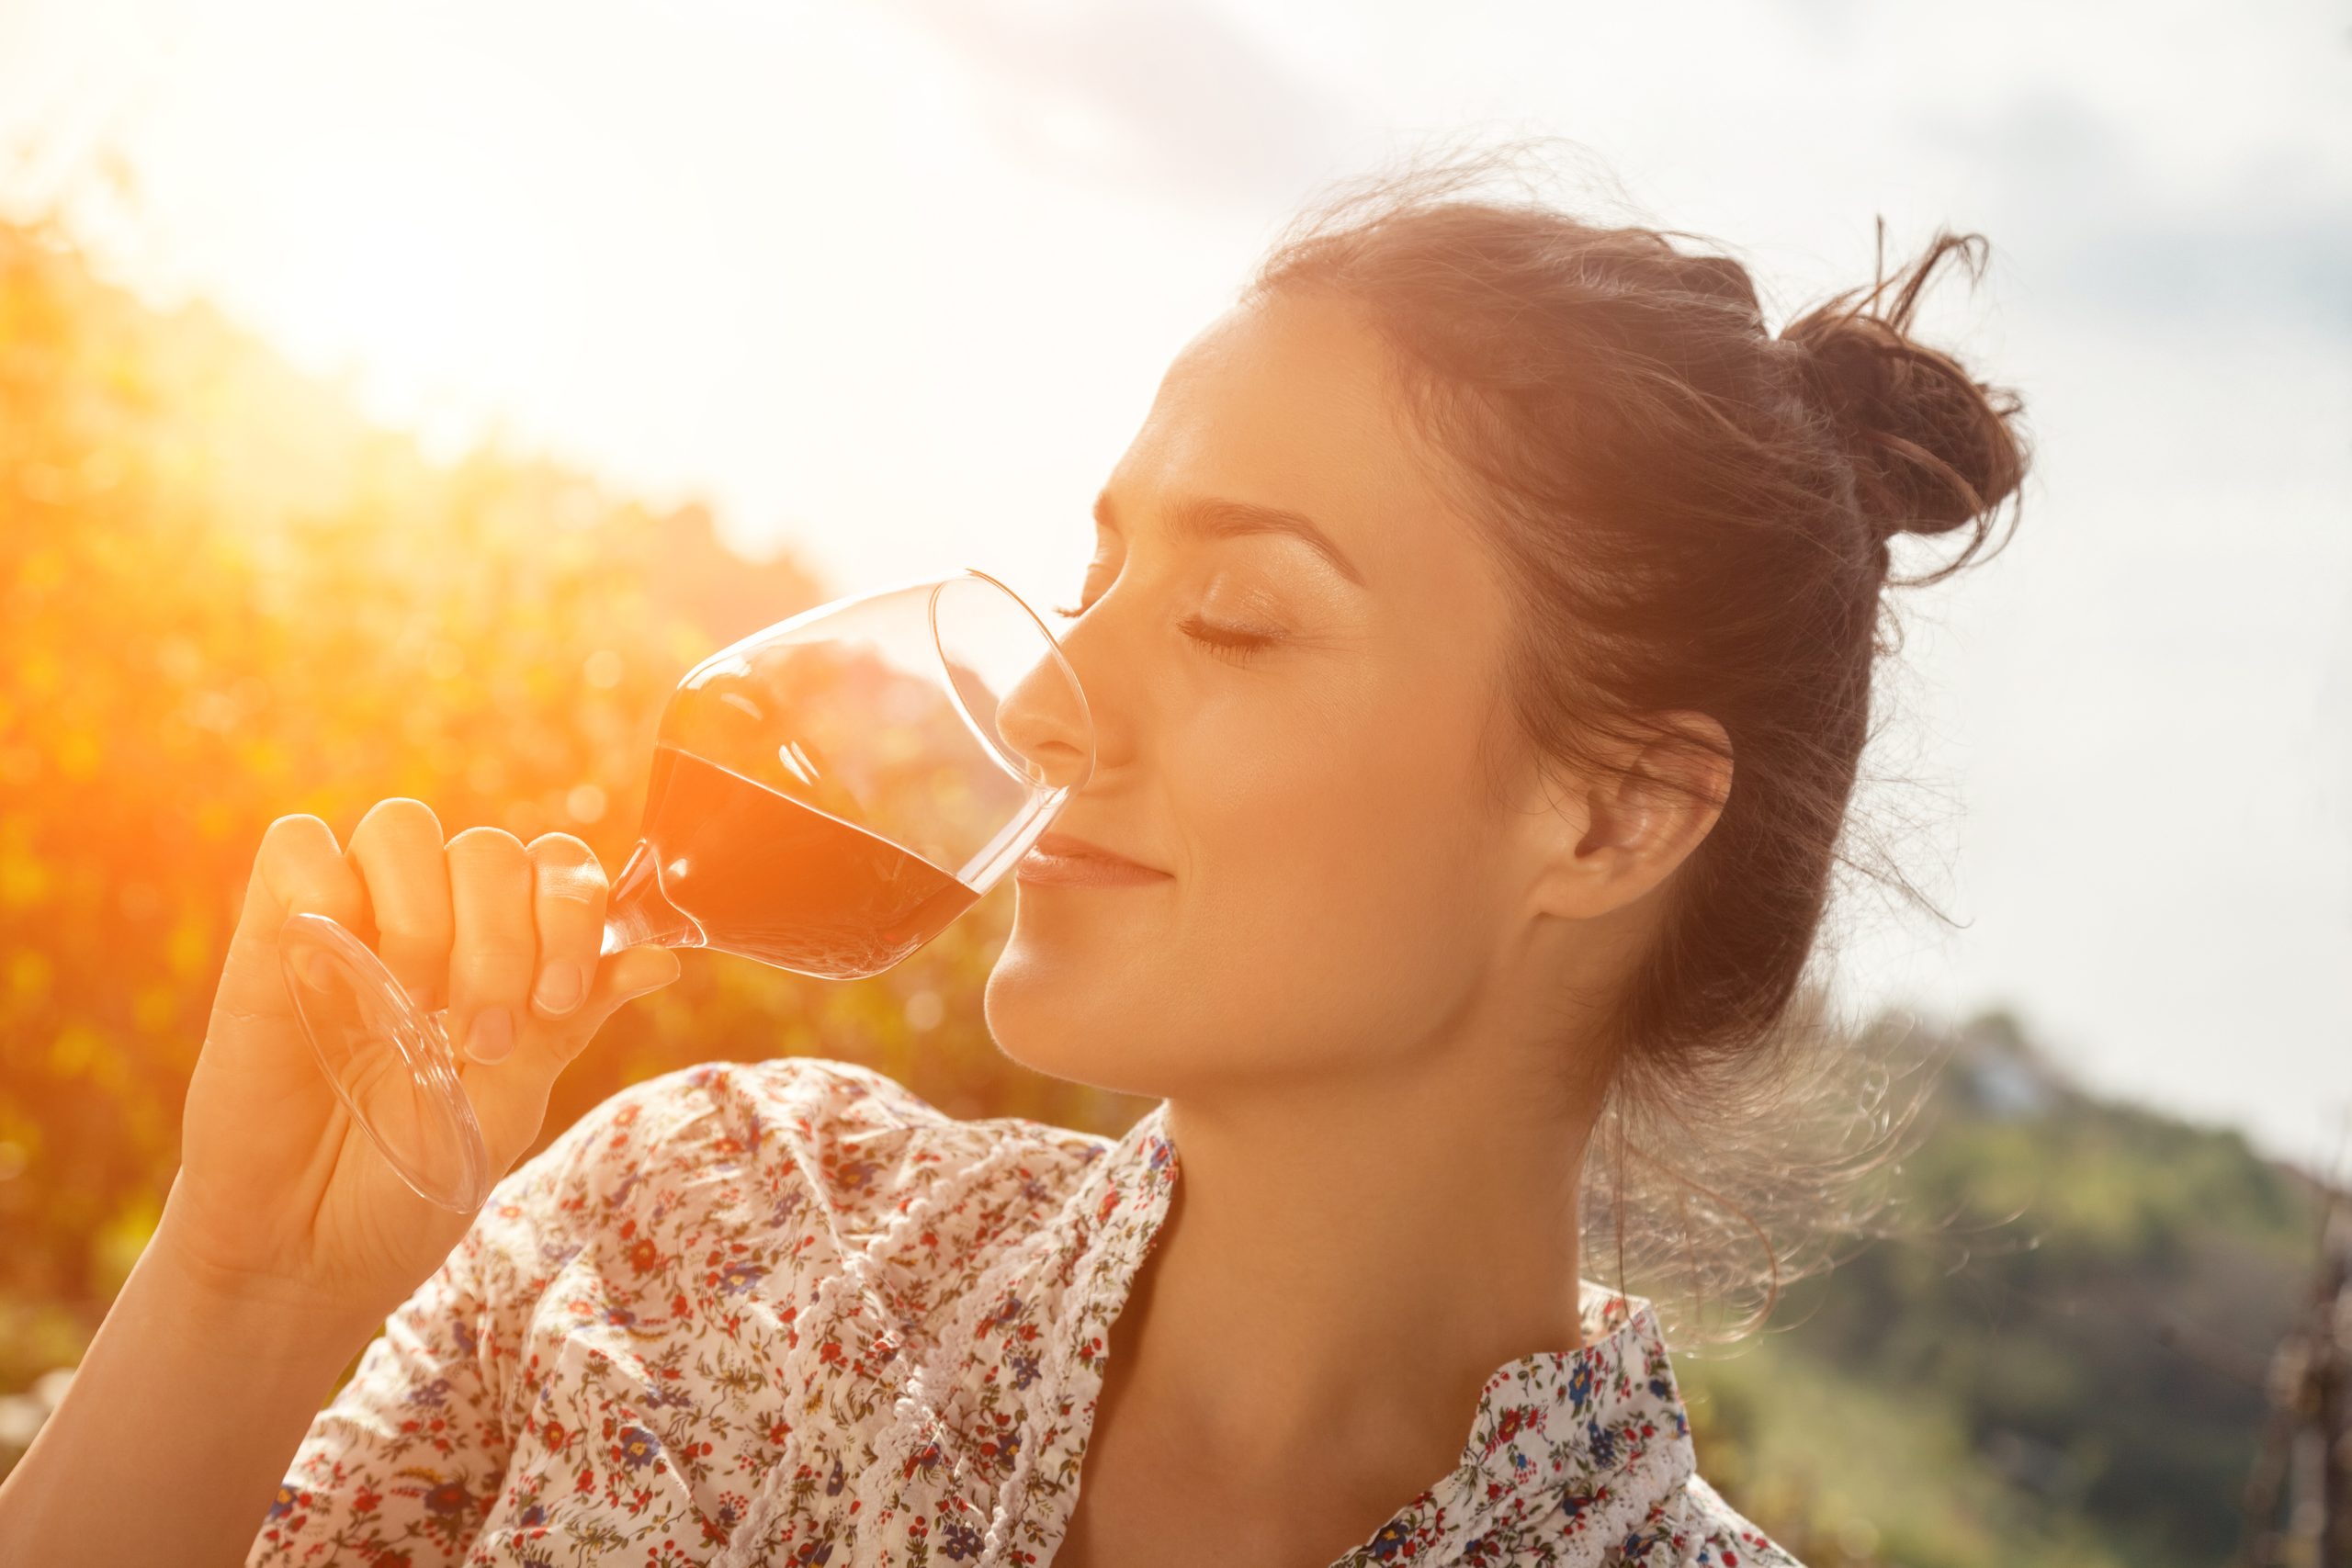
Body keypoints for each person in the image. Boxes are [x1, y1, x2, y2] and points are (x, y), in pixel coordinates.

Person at [0, 147, 2030, 1568]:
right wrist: (248, 1291)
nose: (1047, 702)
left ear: (1605, 813)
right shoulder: (697, 1227)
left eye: (1231, 615)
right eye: (1092, 576)